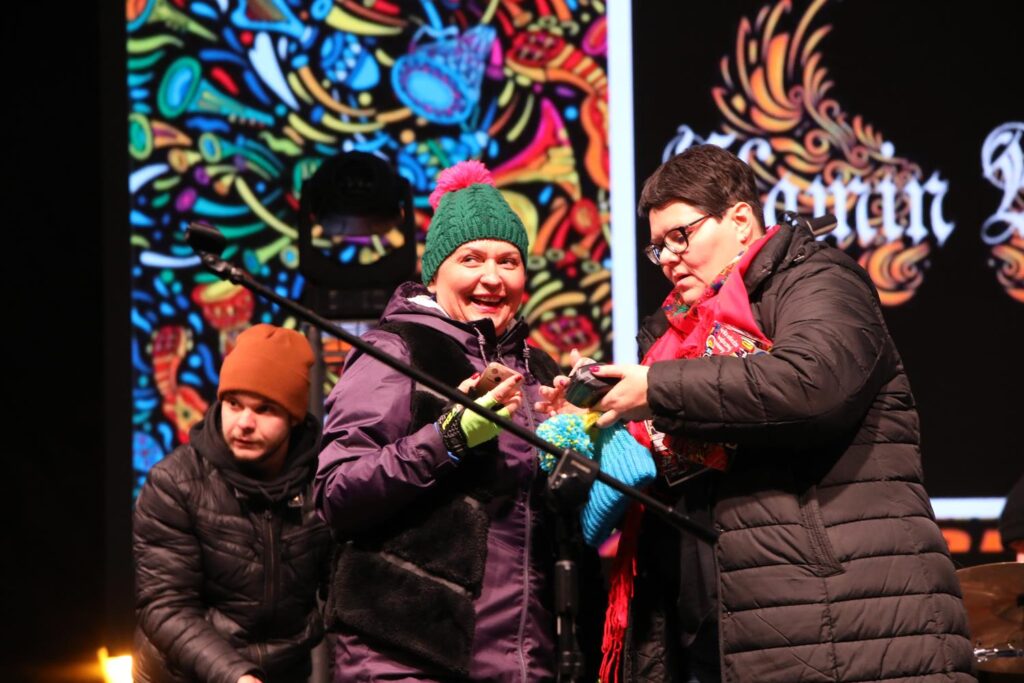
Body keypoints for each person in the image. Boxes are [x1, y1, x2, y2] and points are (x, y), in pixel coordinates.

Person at [584, 145, 976, 682]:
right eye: (658, 247)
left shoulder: (816, 279)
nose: (669, 258)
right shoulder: (671, 335)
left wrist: (655, 387)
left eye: (681, 235)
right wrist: (591, 418)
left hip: (846, 619)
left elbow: (809, 386)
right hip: (729, 629)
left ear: (741, 220)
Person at [315, 160, 565, 681]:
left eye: (508, 261)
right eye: (471, 258)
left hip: (522, 660)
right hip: (407, 660)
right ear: (435, 273)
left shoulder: (539, 371)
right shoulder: (396, 350)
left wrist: (587, 442)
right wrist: (447, 437)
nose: (492, 277)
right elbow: (336, 493)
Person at [133, 324, 331, 683]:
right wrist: (237, 676)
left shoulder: (326, 482)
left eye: (265, 408)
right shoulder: (174, 482)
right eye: (233, 404)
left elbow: (345, 594)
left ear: (293, 416)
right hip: (185, 675)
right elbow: (165, 605)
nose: (244, 423)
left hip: (284, 672)